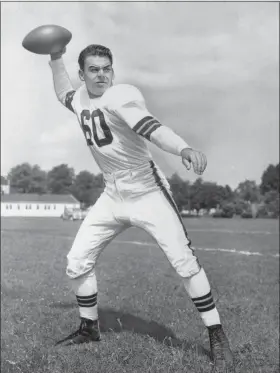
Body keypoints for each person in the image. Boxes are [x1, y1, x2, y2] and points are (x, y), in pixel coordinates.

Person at [49, 44, 234, 372]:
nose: (102, 74)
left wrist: (183, 148)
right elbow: (64, 91)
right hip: (111, 192)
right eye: (94, 69)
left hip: (147, 190)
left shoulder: (120, 96)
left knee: (184, 263)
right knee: (76, 262)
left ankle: (217, 335)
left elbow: (152, 127)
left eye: (107, 68)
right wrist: (54, 57)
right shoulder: (79, 98)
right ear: (83, 74)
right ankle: (89, 328)